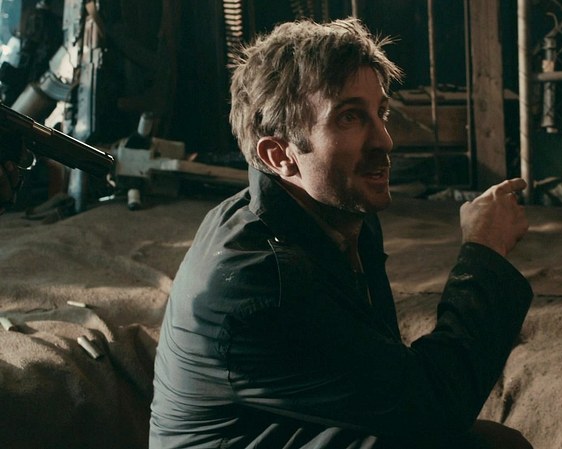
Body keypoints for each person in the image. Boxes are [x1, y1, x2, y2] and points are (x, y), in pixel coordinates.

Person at [150, 18, 533, 449]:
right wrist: (484, 250)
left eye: (380, 113)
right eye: (349, 117)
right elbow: (435, 405)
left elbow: (394, 380)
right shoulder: (262, 282)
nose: (384, 141)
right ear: (279, 155)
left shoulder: (339, 212)